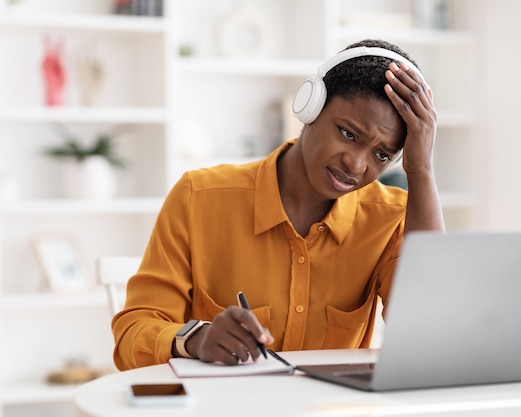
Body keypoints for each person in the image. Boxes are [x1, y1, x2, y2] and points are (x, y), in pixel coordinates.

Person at [112, 39, 445, 371]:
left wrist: (422, 170)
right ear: (309, 106)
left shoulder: (392, 219)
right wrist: (197, 339)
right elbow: (133, 334)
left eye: (381, 154)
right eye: (348, 133)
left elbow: (429, 335)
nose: (356, 165)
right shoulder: (197, 197)